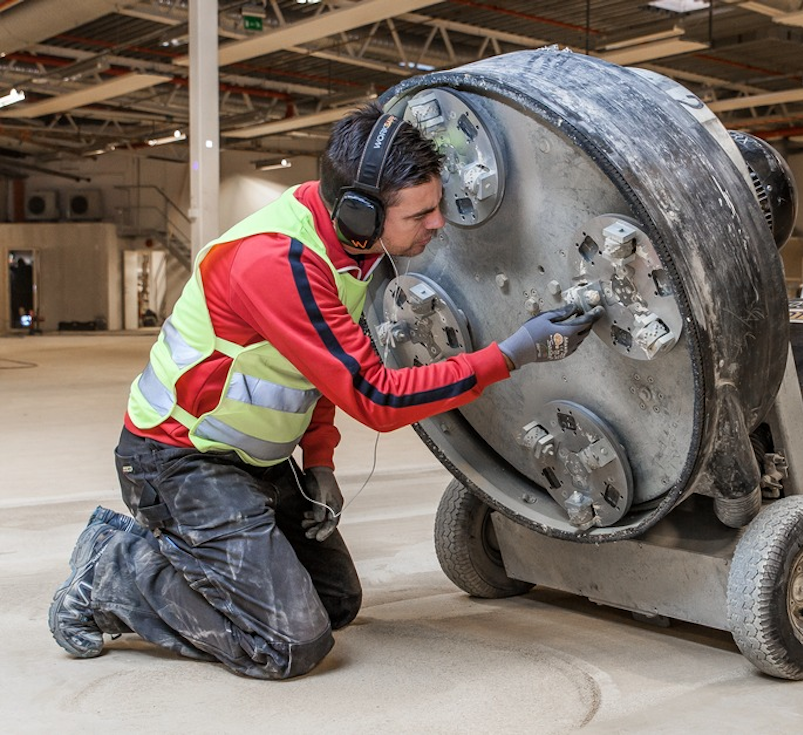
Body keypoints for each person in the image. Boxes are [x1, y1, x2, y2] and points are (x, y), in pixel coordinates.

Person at [47, 103, 602, 680]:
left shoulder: (352, 247)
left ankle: (202, 558)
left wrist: (319, 462)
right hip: (178, 462)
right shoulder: (278, 262)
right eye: (422, 213)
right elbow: (378, 399)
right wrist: (511, 354)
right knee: (290, 645)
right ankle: (115, 573)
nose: (437, 223)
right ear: (360, 214)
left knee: (336, 604)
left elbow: (319, 369)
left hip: (255, 462)